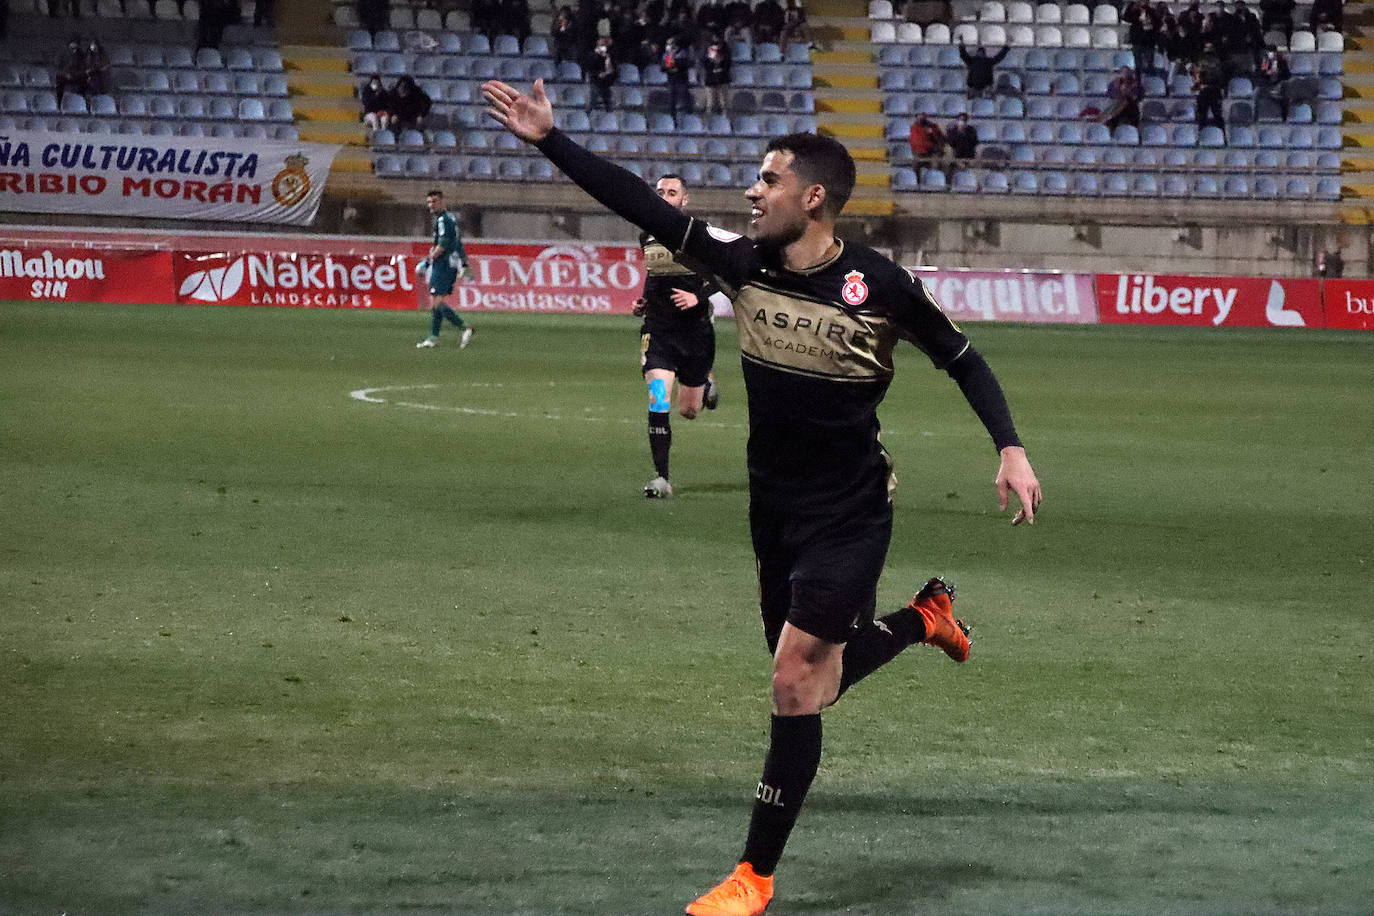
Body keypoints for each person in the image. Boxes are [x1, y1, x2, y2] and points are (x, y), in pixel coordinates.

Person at [481, 76, 1042, 916]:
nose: (751, 190)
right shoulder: (740, 265)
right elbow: (642, 204)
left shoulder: (882, 287)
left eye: (768, 179)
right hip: (773, 510)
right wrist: (547, 140)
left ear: (812, 198)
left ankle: (754, 877)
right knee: (814, 681)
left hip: (851, 512)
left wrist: (1010, 447)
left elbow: (963, 358)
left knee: (792, 682)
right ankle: (926, 617)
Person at [634, 174, 723, 499]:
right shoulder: (647, 235)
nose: (664, 196)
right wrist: (642, 302)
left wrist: (698, 298)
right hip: (658, 333)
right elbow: (652, 275)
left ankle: (706, 381)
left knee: (689, 410)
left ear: (685, 199)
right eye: (660, 192)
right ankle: (662, 478)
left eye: (672, 192)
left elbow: (720, 276)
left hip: (695, 334)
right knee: (658, 398)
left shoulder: (699, 235)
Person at [416, 190, 475, 349]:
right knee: (436, 301)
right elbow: (457, 242)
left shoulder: (443, 220)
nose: (431, 205)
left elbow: (442, 245)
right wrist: (463, 262)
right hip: (450, 264)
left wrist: (427, 262)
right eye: (429, 202)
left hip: (443, 264)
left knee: (436, 303)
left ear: (442, 202)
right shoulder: (450, 219)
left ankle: (465, 328)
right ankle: (433, 338)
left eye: (434, 201)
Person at [662, 35, 694, 123]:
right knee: (672, 101)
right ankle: (673, 119)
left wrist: (674, 64)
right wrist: (670, 60)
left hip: (681, 80)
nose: (670, 46)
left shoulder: (683, 53)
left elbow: (683, 65)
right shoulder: (667, 54)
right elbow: (665, 67)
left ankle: (689, 118)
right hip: (671, 80)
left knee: (685, 100)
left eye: (672, 44)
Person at [1103, 66, 1143, 132]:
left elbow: (1139, 96)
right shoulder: (1115, 84)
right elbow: (1111, 96)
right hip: (1118, 109)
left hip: (1131, 111)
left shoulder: (1136, 85)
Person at [1256, 44, 1290, 121]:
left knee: (1286, 94)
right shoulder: (1265, 62)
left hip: (1279, 85)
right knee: (1256, 92)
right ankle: (1256, 117)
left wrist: (1279, 73)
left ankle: (1284, 117)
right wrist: (1267, 73)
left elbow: (1287, 75)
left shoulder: (1282, 62)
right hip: (1267, 85)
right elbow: (1261, 74)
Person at [702, 33, 732, 115]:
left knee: (724, 103)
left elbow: (728, 64)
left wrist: (720, 63)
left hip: (723, 79)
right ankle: (709, 123)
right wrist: (712, 61)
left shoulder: (726, 51)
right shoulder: (707, 50)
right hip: (710, 79)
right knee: (710, 103)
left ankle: (725, 120)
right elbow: (705, 64)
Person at [586, 36, 617, 111]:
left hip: (606, 82)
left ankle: (609, 116)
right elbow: (590, 67)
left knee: (608, 102)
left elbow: (613, 67)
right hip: (596, 81)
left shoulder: (609, 55)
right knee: (593, 101)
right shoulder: (593, 55)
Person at [55, 35, 88, 103]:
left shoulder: (81, 54)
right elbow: (57, 67)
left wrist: (76, 74)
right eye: (72, 43)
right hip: (64, 75)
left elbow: (83, 67)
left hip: (76, 75)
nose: (73, 45)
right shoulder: (62, 53)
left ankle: (82, 101)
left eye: (75, 43)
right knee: (59, 82)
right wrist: (65, 74)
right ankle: (60, 102)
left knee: (84, 81)